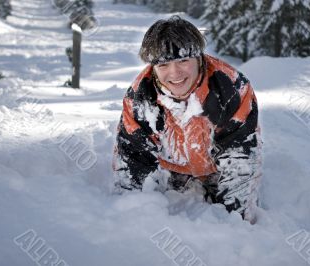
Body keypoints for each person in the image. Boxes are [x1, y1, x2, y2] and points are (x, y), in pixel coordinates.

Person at [112, 16, 262, 223]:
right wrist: (130, 215)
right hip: (171, 168)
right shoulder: (140, 97)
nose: (175, 73)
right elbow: (133, 157)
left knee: (234, 212)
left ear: (199, 58)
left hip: (218, 168)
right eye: (163, 64)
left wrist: (236, 219)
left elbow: (239, 156)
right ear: (153, 67)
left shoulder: (231, 88)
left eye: (183, 60)